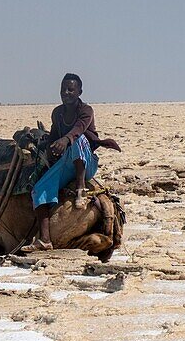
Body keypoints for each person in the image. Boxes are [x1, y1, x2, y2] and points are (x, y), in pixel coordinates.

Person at [24, 73, 120, 252]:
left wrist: (66, 140)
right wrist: (46, 145)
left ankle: (80, 189)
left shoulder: (86, 111)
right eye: (63, 90)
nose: (66, 93)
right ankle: (44, 240)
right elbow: (53, 136)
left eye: (70, 89)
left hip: (85, 161)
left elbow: (78, 130)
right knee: (39, 189)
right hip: (66, 162)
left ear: (79, 92)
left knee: (79, 140)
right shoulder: (58, 113)